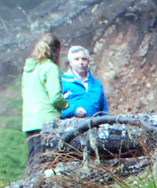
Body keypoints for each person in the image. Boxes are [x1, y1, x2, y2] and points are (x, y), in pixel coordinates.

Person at [20, 34, 65, 169]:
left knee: (33, 159)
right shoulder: (50, 68)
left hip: (29, 122)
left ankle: (30, 186)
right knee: (47, 160)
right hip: (46, 120)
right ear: (57, 50)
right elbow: (55, 97)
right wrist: (68, 105)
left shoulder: (28, 69)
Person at [61, 46, 108, 120]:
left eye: (84, 59)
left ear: (88, 61)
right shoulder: (62, 82)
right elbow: (56, 108)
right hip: (71, 128)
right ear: (70, 63)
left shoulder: (96, 84)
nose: (81, 62)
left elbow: (104, 111)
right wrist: (74, 110)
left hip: (95, 128)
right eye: (76, 59)